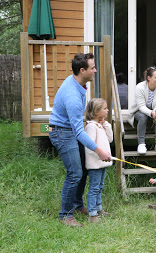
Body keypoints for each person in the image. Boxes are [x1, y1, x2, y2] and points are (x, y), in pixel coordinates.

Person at [49, 53, 112, 227]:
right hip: (62, 133)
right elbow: (78, 132)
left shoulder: (78, 84)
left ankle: (77, 205)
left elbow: (77, 123)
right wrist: (99, 151)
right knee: (75, 173)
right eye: (92, 68)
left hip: (70, 129)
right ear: (82, 70)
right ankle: (65, 215)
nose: (95, 70)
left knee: (83, 169)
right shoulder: (73, 96)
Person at [84, 98, 113, 223]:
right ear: (96, 112)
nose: (107, 110)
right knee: (94, 188)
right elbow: (89, 146)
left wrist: (106, 125)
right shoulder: (91, 127)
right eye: (105, 108)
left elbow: (110, 139)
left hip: (102, 163)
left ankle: (99, 209)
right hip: (95, 164)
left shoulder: (99, 126)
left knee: (100, 186)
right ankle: (92, 214)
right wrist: (99, 156)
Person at [128, 66, 156, 155]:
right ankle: (141, 143)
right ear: (148, 78)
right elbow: (141, 106)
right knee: (143, 116)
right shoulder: (140, 87)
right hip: (138, 111)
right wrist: (151, 113)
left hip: (152, 111)